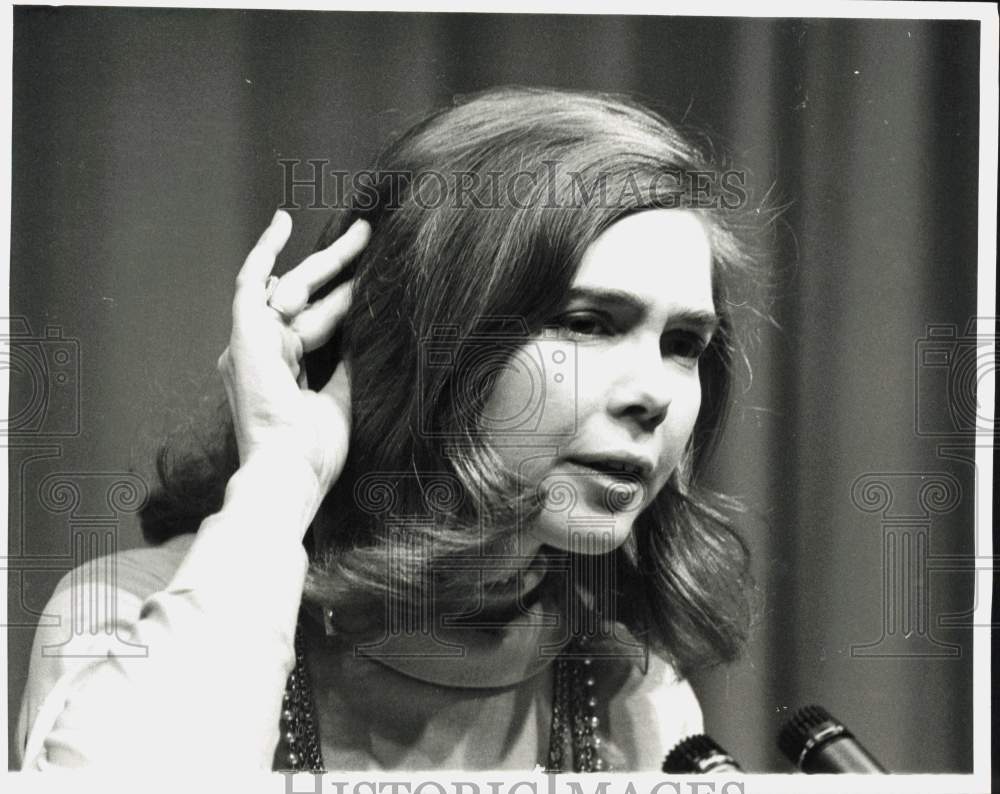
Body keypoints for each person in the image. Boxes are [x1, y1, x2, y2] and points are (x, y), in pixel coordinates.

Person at [16, 86, 761, 772]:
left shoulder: (629, 687)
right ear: (427, 342)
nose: (654, 396)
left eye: (683, 345)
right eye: (587, 324)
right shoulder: (122, 610)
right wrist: (282, 475)